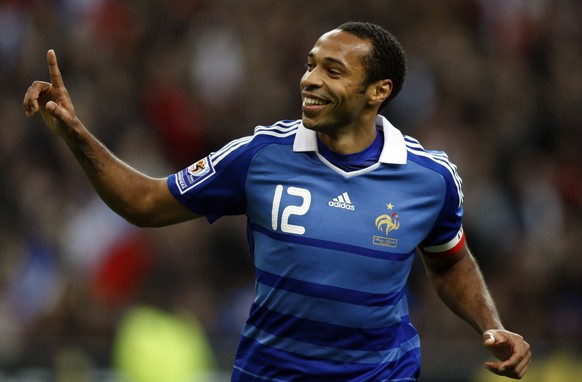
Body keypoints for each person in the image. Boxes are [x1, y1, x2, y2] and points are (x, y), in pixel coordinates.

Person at [24, 21, 531, 381]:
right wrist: (75, 135)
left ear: (379, 90)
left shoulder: (430, 177)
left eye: (333, 71)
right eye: (310, 66)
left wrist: (492, 325)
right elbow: (144, 202)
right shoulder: (260, 155)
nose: (310, 80)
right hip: (272, 374)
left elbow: (449, 261)